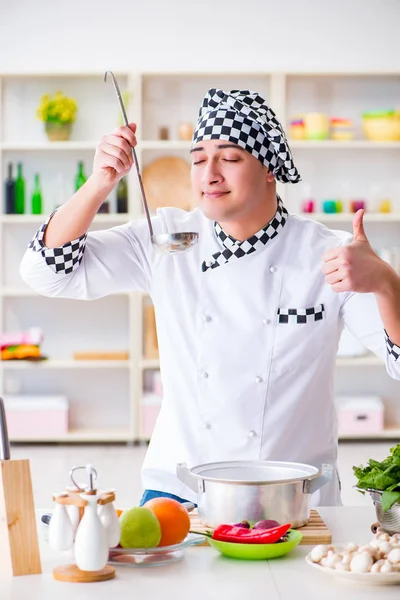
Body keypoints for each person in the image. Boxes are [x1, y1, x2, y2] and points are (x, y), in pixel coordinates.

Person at [20, 88, 400, 507]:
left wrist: (386, 282)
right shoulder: (166, 238)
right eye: (198, 158)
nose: (209, 174)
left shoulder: (329, 253)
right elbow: (45, 273)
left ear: (270, 167)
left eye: (230, 158)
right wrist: (99, 183)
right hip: (181, 490)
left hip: (294, 494)